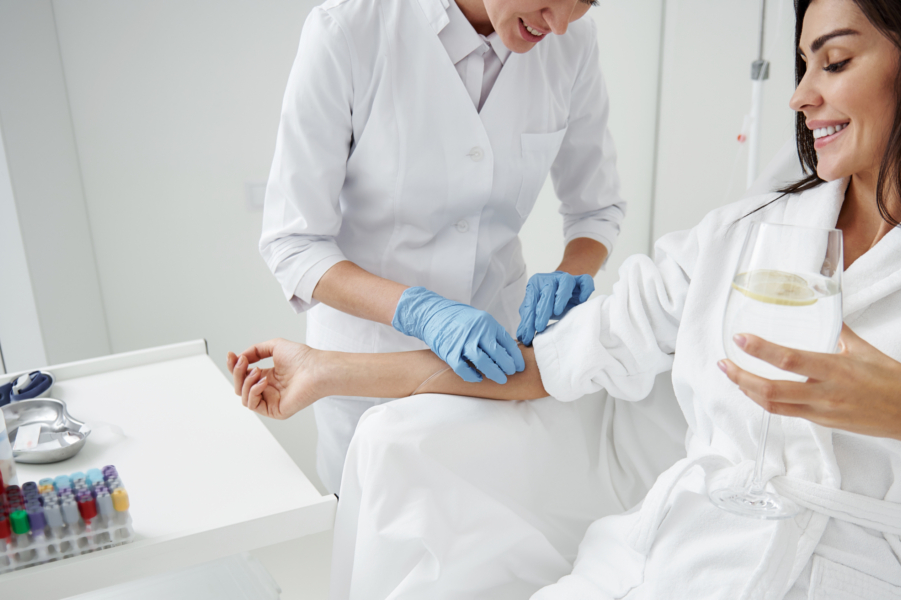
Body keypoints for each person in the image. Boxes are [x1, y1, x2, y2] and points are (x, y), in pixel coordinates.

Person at [232, 0, 901, 597]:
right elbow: (547, 365)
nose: (801, 96)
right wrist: (327, 367)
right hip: (660, 559)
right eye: (803, 63)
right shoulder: (747, 234)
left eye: (832, 62)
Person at [256, 0, 625, 494]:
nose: (558, 25)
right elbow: (294, 242)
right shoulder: (348, 30)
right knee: (375, 524)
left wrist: (572, 271)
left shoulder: (571, 45)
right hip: (366, 366)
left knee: (491, 516)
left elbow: (596, 209)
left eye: (584, 3)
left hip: (495, 362)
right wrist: (420, 311)